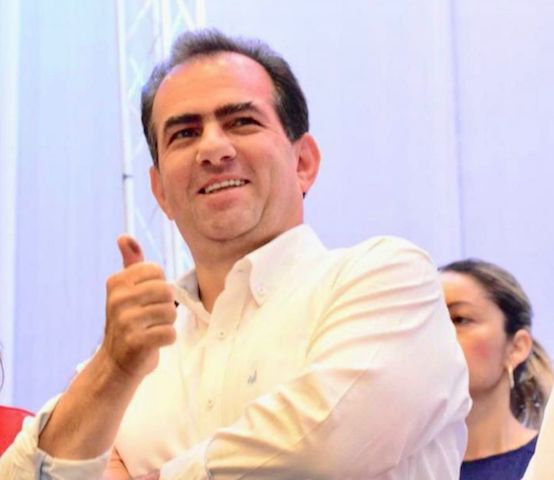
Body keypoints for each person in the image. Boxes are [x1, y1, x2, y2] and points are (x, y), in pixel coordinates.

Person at [0, 29, 470, 479]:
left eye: (241, 122)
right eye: (184, 133)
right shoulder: (137, 353)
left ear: (303, 162)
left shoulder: (385, 278)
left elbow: (328, 446)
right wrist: (113, 367)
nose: (212, 148)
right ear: (160, 191)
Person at [440, 259, 553, 480]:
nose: (439, 334)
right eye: (431, 322)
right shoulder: (400, 466)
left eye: (459, 319)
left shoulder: (546, 462)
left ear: (517, 347)